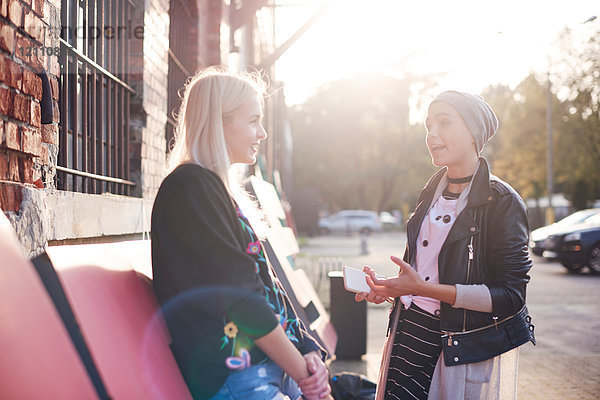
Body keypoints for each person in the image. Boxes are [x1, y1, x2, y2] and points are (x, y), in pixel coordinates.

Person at [151, 68, 331, 400]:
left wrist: (308, 349)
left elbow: (266, 284)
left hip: (271, 365)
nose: (261, 133)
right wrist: (305, 376)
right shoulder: (190, 187)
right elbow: (241, 297)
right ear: (219, 123)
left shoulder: (215, 189)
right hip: (236, 376)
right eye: (252, 121)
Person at [355, 91, 535, 399]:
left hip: (454, 347)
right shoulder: (430, 191)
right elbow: (421, 277)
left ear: (474, 132)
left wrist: (422, 290)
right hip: (406, 334)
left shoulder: (502, 202)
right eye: (428, 125)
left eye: (444, 122)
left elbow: (510, 297)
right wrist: (389, 289)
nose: (431, 134)